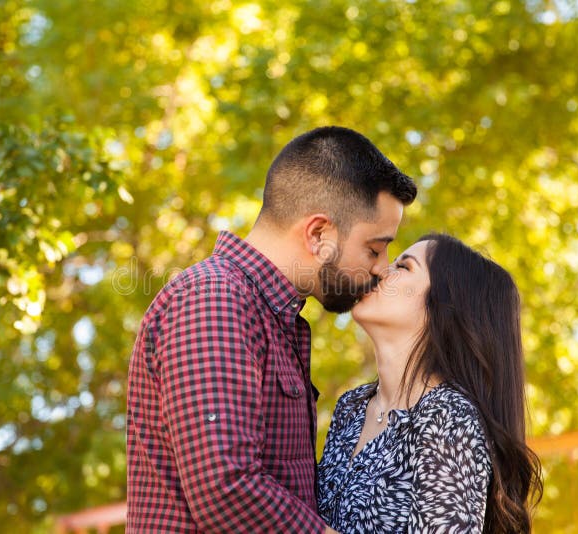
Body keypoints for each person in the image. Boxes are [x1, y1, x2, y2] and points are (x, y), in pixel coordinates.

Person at [126, 126, 417, 533]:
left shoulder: (273, 318)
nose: (382, 267)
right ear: (319, 234)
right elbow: (225, 488)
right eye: (374, 248)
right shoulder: (214, 298)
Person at [317, 233, 543, 533]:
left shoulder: (448, 418)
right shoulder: (351, 407)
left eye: (404, 267)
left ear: (443, 307)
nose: (379, 270)